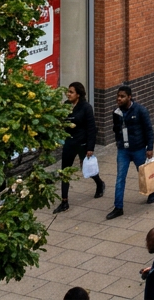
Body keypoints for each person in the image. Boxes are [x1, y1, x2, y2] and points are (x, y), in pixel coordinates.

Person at [107, 84, 154, 219]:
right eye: (118, 96)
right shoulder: (116, 112)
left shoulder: (140, 111)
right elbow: (115, 130)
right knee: (120, 178)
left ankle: (152, 191)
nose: (119, 99)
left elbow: (149, 130)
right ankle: (118, 207)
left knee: (143, 174)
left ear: (130, 97)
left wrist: (149, 148)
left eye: (122, 97)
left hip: (138, 148)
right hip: (123, 150)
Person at [54, 81, 103, 213]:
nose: (68, 94)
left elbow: (91, 129)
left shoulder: (86, 107)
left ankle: (99, 183)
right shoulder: (66, 105)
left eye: (71, 92)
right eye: (68, 91)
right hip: (69, 143)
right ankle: (64, 202)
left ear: (78, 94)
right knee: (65, 172)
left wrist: (90, 148)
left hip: (82, 143)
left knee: (87, 168)